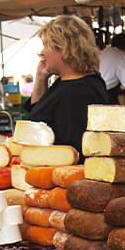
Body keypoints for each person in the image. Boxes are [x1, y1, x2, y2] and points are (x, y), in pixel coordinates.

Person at [26, 15, 108, 153]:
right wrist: (41, 78)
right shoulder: (66, 83)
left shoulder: (77, 92)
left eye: (46, 45)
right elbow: (37, 113)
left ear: (64, 48)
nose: (42, 52)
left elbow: (72, 150)